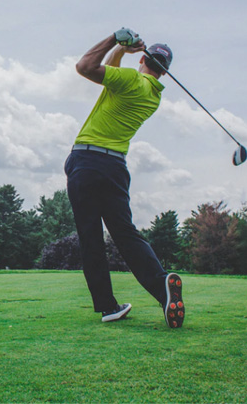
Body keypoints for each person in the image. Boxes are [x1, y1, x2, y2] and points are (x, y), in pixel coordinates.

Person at [64, 28, 185, 328]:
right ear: (164, 73)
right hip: (115, 168)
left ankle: (108, 306)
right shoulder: (152, 95)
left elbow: (85, 67)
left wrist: (113, 39)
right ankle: (162, 288)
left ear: (142, 59)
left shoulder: (130, 80)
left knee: (91, 237)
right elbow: (111, 73)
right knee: (126, 234)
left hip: (87, 162)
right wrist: (120, 51)